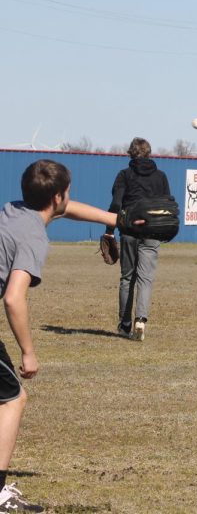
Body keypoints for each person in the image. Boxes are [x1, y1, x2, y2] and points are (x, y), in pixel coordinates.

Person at [1, 160, 121, 512]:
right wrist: (28, 351)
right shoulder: (33, 235)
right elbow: (13, 297)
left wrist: (118, 221)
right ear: (57, 196)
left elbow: (66, 211)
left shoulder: (15, 210)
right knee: (11, 399)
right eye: (66, 192)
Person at [105, 138, 171, 341]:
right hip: (152, 231)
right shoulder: (160, 176)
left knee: (127, 278)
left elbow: (116, 204)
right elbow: (167, 204)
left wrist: (109, 231)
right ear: (149, 153)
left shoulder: (124, 175)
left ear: (130, 154)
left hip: (129, 230)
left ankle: (125, 325)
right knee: (146, 279)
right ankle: (140, 319)